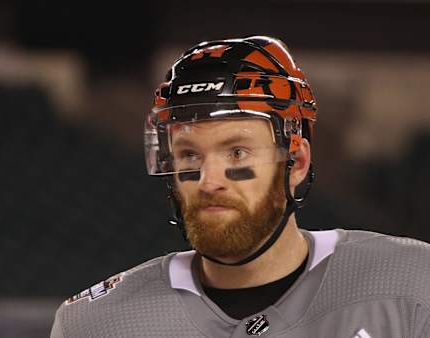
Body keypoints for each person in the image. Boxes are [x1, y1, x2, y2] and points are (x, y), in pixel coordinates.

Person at [50, 36, 430, 338]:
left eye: (236, 152)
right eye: (188, 154)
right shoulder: (97, 324)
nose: (209, 180)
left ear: (295, 163)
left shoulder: (413, 284)